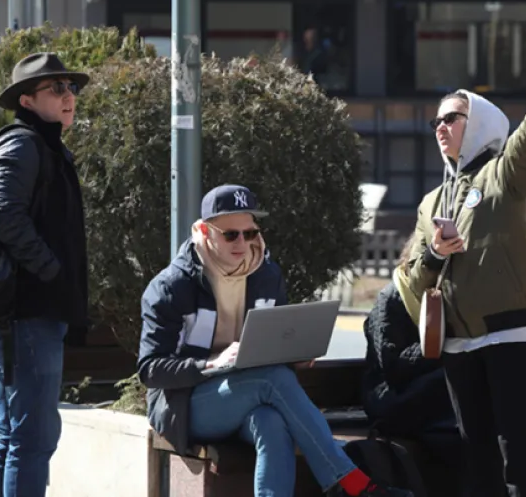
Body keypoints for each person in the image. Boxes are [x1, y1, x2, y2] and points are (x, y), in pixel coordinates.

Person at [137, 184, 413, 497]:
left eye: (250, 233)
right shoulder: (172, 286)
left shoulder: (266, 275)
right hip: (185, 405)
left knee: (270, 423)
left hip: (250, 394)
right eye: (231, 235)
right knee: (272, 379)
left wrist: (293, 354)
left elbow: (273, 343)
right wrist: (212, 364)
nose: (243, 243)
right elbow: (150, 370)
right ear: (203, 231)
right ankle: (350, 485)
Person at [404, 75, 526, 497]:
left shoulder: (501, 175)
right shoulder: (431, 202)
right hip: (458, 343)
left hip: (509, 335)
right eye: (436, 122)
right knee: (475, 452)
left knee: (517, 449)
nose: (441, 127)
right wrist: (435, 254)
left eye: (451, 118)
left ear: (479, 123)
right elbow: (414, 275)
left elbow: (525, 150)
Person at [0, 52, 90, 497]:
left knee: (14, 435)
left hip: (32, 310)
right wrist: (50, 270)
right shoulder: (22, 145)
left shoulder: (47, 147)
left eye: (71, 87)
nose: (68, 96)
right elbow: (1, 213)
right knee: (33, 438)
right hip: (26, 311)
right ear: (26, 101)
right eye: (56, 88)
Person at [361, 234, 463, 496]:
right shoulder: (393, 297)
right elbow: (393, 366)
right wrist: (441, 342)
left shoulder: (446, 297)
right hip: (392, 397)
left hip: (432, 399)